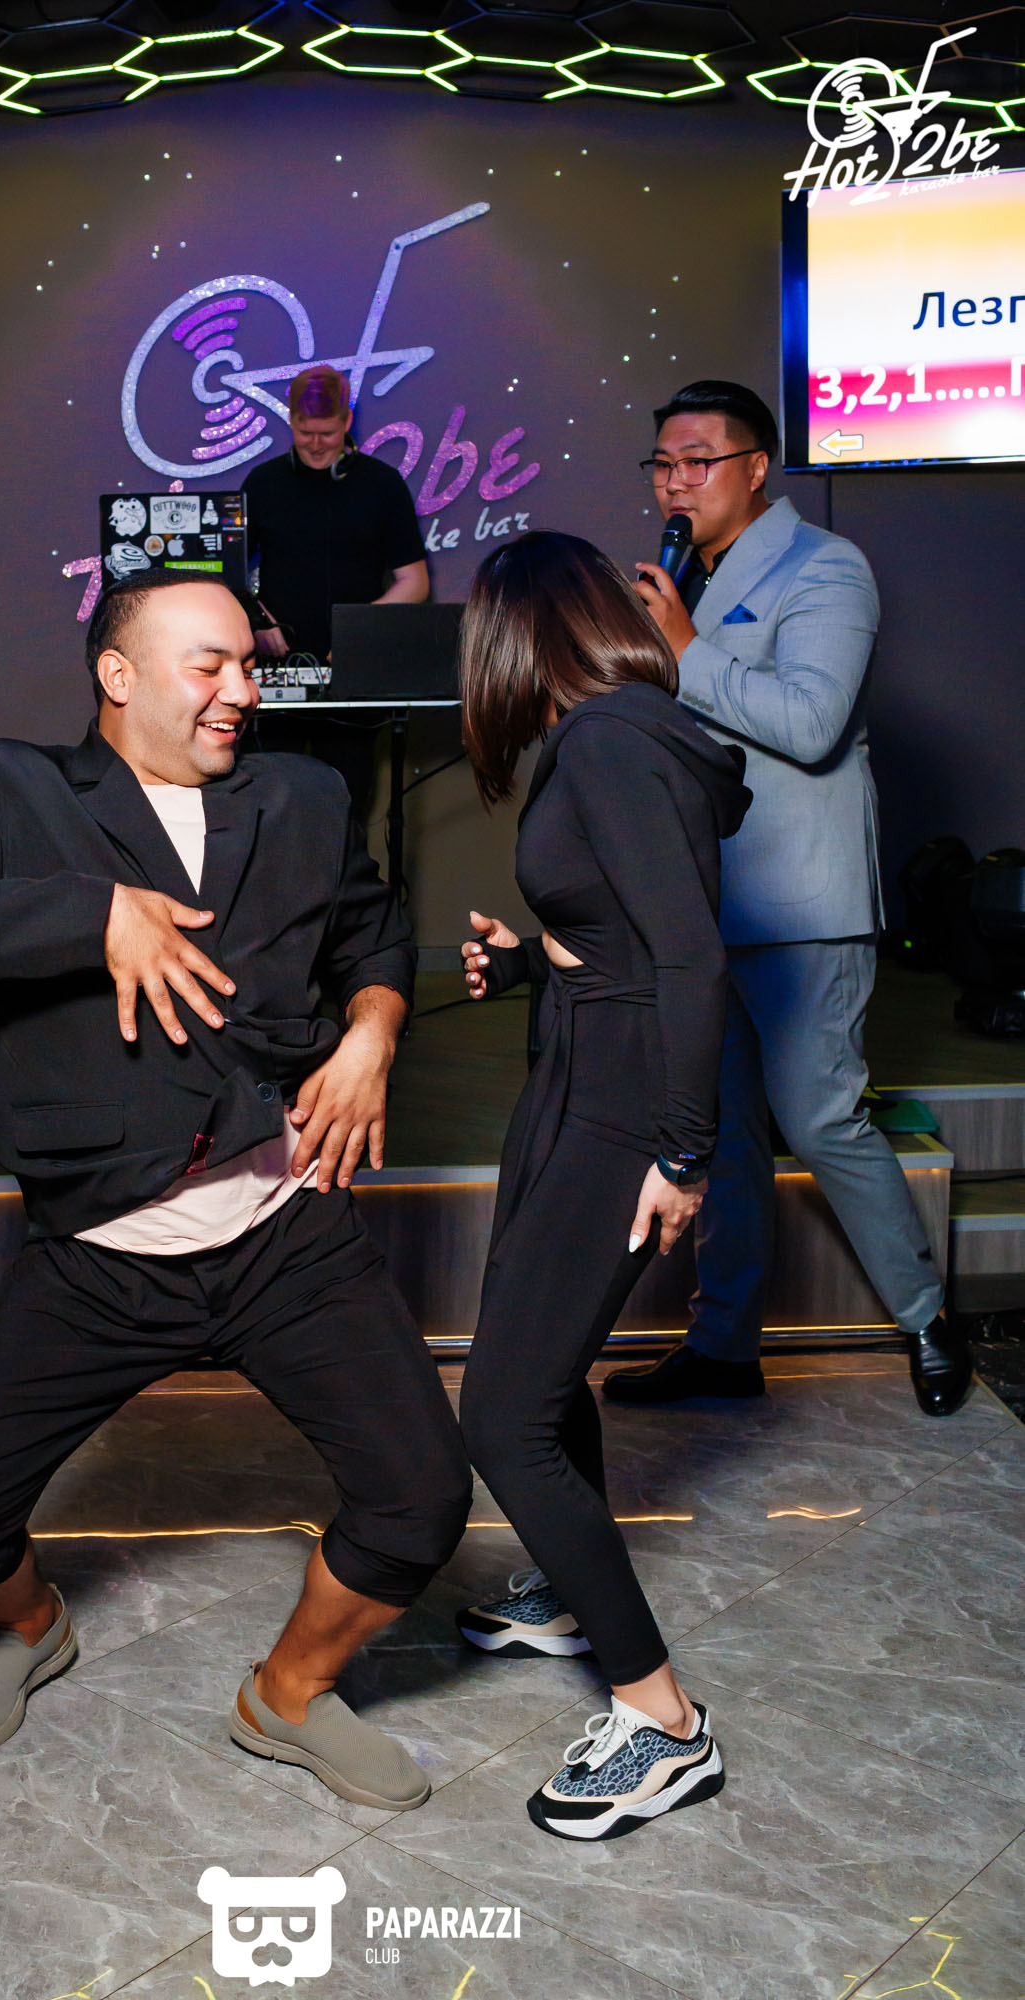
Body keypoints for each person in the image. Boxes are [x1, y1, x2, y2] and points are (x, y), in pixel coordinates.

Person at [0, 571, 471, 1811]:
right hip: (100, 1251)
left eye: (249, 663)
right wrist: (96, 915)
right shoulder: (14, 787)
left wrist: (374, 1030)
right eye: (209, 664)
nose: (242, 689)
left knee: (422, 1498)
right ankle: (34, 1627)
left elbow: (371, 934)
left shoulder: (300, 796)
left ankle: (289, 1692)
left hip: (287, 1231)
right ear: (118, 674)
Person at [452, 531, 751, 1841]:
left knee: (502, 1414)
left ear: (521, 633)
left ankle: (661, 1720)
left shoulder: (614, 739)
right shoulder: (616, 732)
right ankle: (571, 1592)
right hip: (579, 1073)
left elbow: (690, 959)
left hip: (620, 1105)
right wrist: (532, 961)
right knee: (537, 1369)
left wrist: (682, 1152)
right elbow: (627, 933)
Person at [602, 379, 972, 1418]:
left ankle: (926, 1318)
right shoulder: (684, 578)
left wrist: (683, 650)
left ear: (756, 466)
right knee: (718, 1135)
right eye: (662, 465)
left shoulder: (826, 566)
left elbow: (810, 725)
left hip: (801, 905)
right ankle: (722, 1347)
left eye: (698, 462)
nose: (675, 484)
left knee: (816, 1119)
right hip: (701, 908)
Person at [244, 364, 429, 809]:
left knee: (347, 808)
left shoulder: (382, 484)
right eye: (305, 432)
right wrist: (254, 621)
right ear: (291, 421)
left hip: (352, 677)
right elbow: (224, 574)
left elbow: (414, 581)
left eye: (327, 433)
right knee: (271, 807)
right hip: (276, 673)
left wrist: (357, 632)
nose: (316, 444)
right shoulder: (263, 484)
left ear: (347, 421)